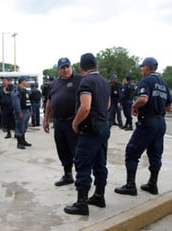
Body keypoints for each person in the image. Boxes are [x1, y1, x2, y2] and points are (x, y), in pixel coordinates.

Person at [114, 57, 172, 196]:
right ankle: (153, 184)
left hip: (147, 122)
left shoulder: (146, 81)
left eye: (142, 67)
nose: (141, 70)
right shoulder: (163, 83)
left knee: (132, 151)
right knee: (155, 153)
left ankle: (130, 185)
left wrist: (135, 106)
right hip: (160, 122)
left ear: (146, 67)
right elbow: (169, 105)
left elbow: (143, 99)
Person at [64, 53, 111, 216]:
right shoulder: (105, 82)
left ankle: (81, 203)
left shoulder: (87, 81)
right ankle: (99, 195)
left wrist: (75, 123)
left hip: (90, 130)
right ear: (95, 65)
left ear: (81, 67)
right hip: (104, 127)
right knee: (100, 163)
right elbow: (108, 104)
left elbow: (85, 107)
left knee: (83, 164)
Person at [43, 57, 82, 187]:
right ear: (58, 69)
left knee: (77, 151)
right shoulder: (54, 84)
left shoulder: (79, 80)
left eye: (67, 67)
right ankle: (68, 175)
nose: (65, 70)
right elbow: (49, 101)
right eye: (62, 68)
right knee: (62, 149)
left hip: (73, 122)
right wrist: (46, 119)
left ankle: (82, 177)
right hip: (58, 123)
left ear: (71, 67)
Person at [12, 76, 32, 149]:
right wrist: (19, 111)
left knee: (24, 127)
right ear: (22, 81)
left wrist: (30, 110)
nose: (26, 82)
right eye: (25, 81)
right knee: (19, 127)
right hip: (21, 111)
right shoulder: (17, 91)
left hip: (26, 111)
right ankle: (19, 143)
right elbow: (16, 102)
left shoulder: (25, 90)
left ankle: (23, 140)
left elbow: (28, 101)